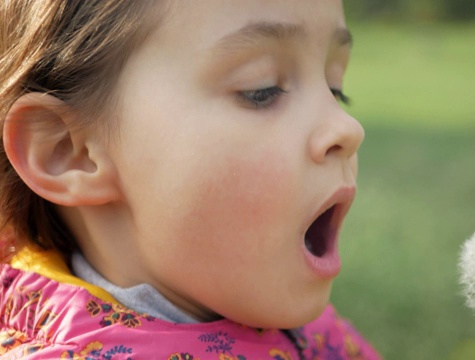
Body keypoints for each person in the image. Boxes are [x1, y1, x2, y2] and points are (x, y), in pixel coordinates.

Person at [0, 0, 380, 358]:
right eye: (261, 90)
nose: (345, 127)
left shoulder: (318, 334)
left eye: (335, 88)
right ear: (68, 151)